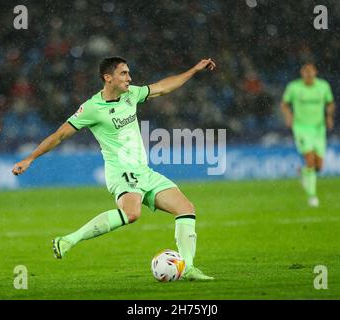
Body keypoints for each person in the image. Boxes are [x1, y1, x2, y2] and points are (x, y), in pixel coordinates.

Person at [12, 56, 216, 280]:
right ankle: (69, 239)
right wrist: (30, 158)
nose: (130, 78)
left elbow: (163, 88)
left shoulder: (132, 95)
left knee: (186, 208)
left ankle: (187, 268)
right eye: (124, 73)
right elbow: (60, 135)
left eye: (129, 73)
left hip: (143, 171)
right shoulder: (91, 108)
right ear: (108, 78)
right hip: (121, 171)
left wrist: (194, 69)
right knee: (131, 213)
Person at [281, 63, 335, 207]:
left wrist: (329, 117)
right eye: (306, 72)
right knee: (310, 159)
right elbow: (284, 104)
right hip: (302, 128)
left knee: (319, 166)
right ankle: (312, 196)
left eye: (311, 72)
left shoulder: (323, 86)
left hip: (319, 128)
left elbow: (330, 103)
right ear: (302, 73)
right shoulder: (294, 87)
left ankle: (304, 172)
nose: (309, 74)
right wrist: (288, 117)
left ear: (315, 72)